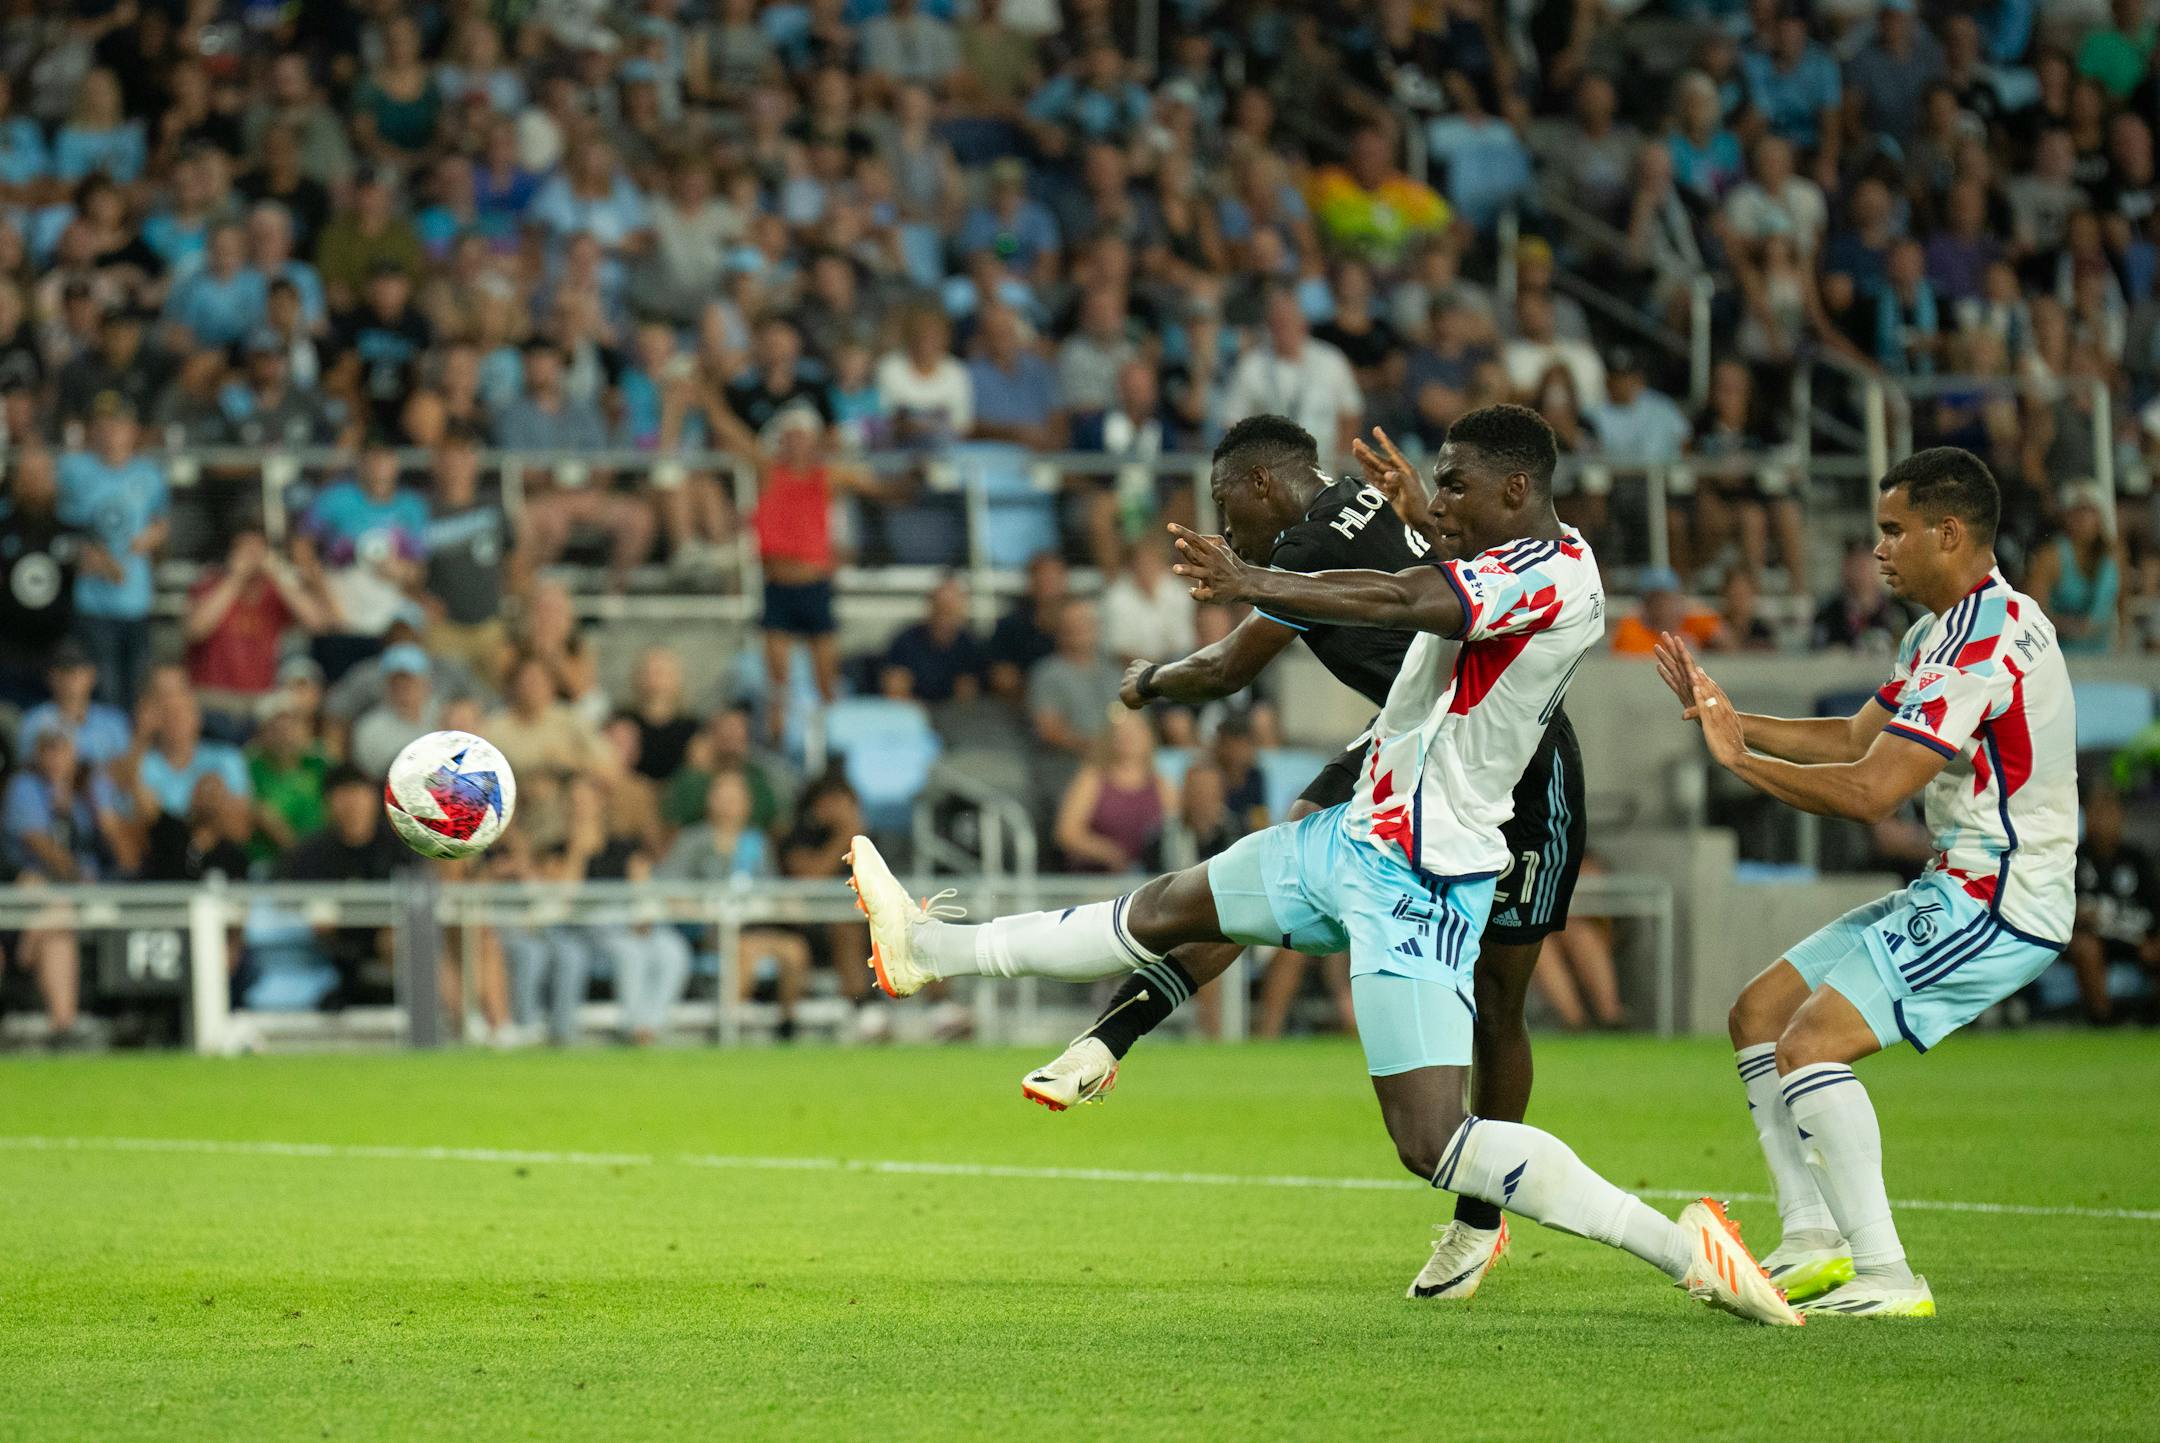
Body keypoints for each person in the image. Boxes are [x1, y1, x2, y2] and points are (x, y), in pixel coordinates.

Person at [847, 405, 1797, 1323]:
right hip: (1354, 834)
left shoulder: (1553, 578)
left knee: (1431, 1139)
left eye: (1455, 487)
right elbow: (1431, 564)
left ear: (1517, 489)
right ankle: (929, 947)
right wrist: (1419, 520)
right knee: (1165, 908)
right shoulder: (1511, 548)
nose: (1437, 501)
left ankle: (1684, 1248)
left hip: (1420, 873)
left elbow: (1399, 596)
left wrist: (1250, 583)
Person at [1662, 447, 2077, 1319]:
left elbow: (1869, 792)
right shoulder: (1944, 630)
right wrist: (1730, 719)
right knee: (1760, 1013)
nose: (1877, 548)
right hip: (1957, 882)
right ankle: (1813, 1236)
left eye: (1894, 530)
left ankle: (1886, 1273)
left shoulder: (1982, 641)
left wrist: (1741, 762)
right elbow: (1856, 740)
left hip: (2001, 897)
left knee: (1810, 1044)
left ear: (1948, 532)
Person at [657, 769, 814, 1038]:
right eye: (722, 795)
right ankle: (729, 1031)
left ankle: (787, 1026)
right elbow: (666, 885)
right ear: (710, 800)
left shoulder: (757, 842)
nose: (729, 803)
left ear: (747, 803)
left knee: (795, 951)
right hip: (709, 931)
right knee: (743, 950)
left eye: (735, 796)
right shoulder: (692, 840)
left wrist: (786, 903)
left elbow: (770, 887)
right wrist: (693, 908)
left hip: (754, 925)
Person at [58, 395, 167, 709]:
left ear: (132, 430)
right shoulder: (74, 470)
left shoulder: (148, 474)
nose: (110, 433)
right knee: (103, 690)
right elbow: (67, 528)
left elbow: (161, 524)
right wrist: (102, 562)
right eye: (103, 425)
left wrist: (150, 538)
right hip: (92, 601)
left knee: (137, 689)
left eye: (117, 425)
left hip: (135, 598)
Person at [2067, 784, 2157, 1024]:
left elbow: (2154, 905)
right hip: (2093, 937)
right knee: (2086, 947)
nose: (2102, 819)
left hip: (2135, 938)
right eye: (2095, 811)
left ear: (2121, 816)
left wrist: (2153, 937)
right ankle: (2103, 1020)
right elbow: (2058, 906)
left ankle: (2151, 1015)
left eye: (2109, 811)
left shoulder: (2137, 859)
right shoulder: (2073, 858)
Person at [1052, 712, 1175, 873]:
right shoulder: (1092, 778)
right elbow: (1067, 833)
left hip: (1149, 877)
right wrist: (1108, 853)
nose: (1128, 736)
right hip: (1097, 879)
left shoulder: (1162, 784)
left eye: (1135, 729)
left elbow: (1174, 829)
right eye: (1122, 731)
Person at [2024, 485, 2123, 654]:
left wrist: (2122, 640)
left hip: (2104, 651)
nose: (2083, 518)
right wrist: (2069, 626)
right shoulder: (2050, 556)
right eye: (2077, 511)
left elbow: (2122, 601)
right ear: (2066, 516)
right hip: (2060, 651)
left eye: (2090, 511)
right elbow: (2031, 612)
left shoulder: (2114, 554)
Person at [881, 574, 986, 704]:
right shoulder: (906, 641)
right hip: (915, 714)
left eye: (950, 611)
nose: (944, 618)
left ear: (962, 612)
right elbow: (895, 690)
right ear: (929, 607)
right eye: (940, 609)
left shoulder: (971, 646)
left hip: (954, 717)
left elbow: (968, 698)